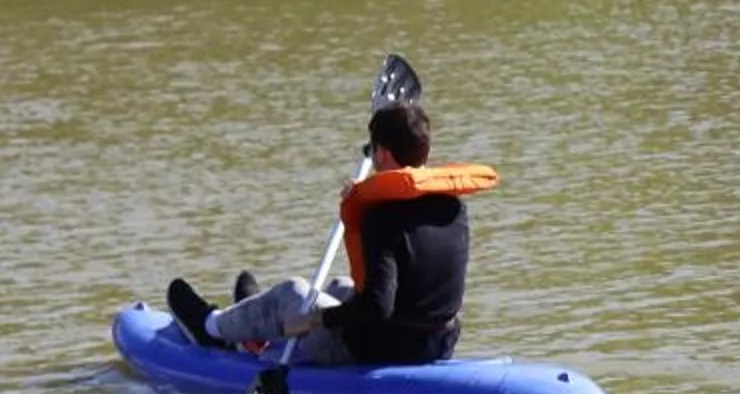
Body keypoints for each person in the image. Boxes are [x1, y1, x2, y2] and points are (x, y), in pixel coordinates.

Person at [164, 98, 497, 367]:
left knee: (293, 295)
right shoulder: (453, 206)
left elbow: (378, 308)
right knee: (340, 287)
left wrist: (316, 321)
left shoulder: (380, 216)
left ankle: (210, 327)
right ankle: (256, 320)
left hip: (385, 349)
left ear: (381, 153)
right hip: (440, 342)